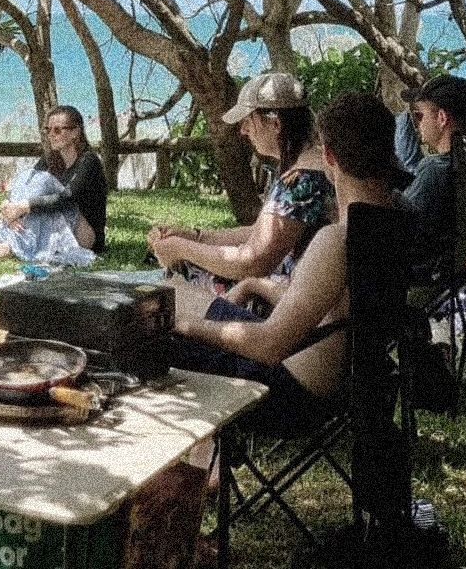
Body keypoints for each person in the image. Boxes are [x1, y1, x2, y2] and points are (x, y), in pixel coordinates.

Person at [170, 91, 410, 435]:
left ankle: (191, 462)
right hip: (349, 379)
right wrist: (254, 286)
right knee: (177, 296)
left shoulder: (338, 239)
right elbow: (329, 308)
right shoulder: (397, 219)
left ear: (329, 156)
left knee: (149, 332)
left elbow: (269, 345)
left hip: (291, 395)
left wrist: (181, 325)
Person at [148, 72, 334, 290]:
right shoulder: (320, 164)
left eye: (248, 120)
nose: (243, 131)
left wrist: (180, 248)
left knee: (182, 276)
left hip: (293, 298)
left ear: (275, 124)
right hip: (303, 290)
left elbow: (253, 263)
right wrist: (195, 237)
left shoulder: (300, 181)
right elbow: (259, 234)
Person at [0, 104, 108, 262]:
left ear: (75, 132)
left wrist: (23, 206)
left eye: (57, 130)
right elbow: (27, 186)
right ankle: (2, 240)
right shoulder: (50, 159)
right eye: (48, 130)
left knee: (43, 189)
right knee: (30, 178)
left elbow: (67, 198)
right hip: (59, 226)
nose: (51, 135)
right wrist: (10, 207)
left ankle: (10, 247)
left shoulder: (89, 161)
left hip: (85, 236)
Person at [396, 74, 466, 274]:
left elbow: (395, 228)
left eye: (420, 116)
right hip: (451, 268)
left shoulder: (435, 170)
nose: (418, 124)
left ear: (442, 118)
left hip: (424, 277)